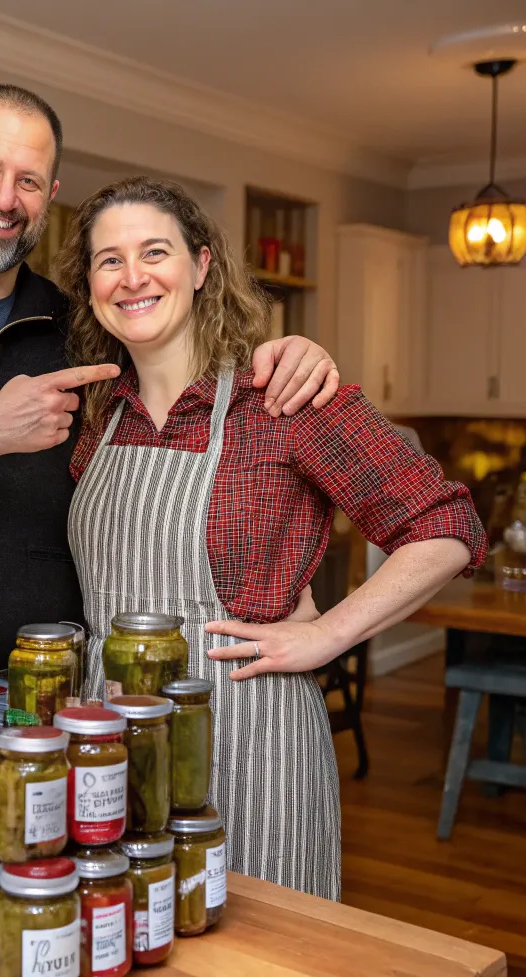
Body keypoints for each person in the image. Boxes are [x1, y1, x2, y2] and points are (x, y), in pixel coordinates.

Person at [0, 84, 341, 729]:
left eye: (28, 181)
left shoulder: (86, 327)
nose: (2, 198)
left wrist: (291, 353)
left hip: (48, 687)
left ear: (49, 197)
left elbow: (188, 377)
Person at [57, 176, 486, 900]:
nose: (133, 277)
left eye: (154, 252)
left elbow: (447, 527)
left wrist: (329, 636)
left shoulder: (285, 400)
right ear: (91, 286)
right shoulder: (95, 421)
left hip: (251, 735)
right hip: (111, 740)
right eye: (109, 260)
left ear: (200, 268)